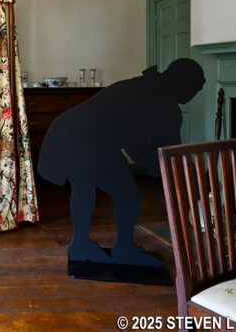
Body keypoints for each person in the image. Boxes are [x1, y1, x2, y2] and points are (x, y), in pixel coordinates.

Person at [38, 58, 205, 266]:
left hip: (88, 137)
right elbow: (133, 140)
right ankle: (117, 248)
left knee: (87, 186)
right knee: (125, 193)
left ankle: (85, 245)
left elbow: (170, 148)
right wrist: (154, 165)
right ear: (181, 82)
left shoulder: (166, 104)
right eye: (193, 89)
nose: (191, 97)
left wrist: (172, 170)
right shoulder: (143, 92)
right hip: (77, 136)